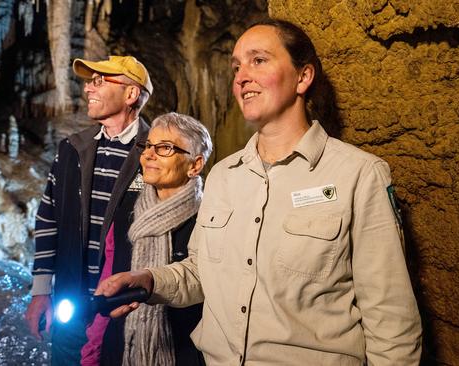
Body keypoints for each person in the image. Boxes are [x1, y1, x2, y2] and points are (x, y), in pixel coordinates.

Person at [96, 19, 423, 365]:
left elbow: (391, 318)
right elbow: (201, 273)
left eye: (259, 60)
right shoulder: (222, 177)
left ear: (303, 76)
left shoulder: (358, 175)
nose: (241, 76)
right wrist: (148, 280)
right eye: (236, 66)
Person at [24, 54, 153, 365]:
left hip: (129, 309)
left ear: (131, 94)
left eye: (99, 81)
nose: (87, 89)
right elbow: (48, 219)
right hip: (75, 303)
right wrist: (41, 291)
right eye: (88, 82)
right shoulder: (72, 150)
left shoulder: (156, 152)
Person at [90, 112, 211, 366]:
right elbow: (110, 270)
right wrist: (93, 341)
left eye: (165, 148)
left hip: (182, 352)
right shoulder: (127, 207)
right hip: (120, 346)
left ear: (195, 165)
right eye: (147, 146)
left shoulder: (210, 219)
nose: (148, 155)